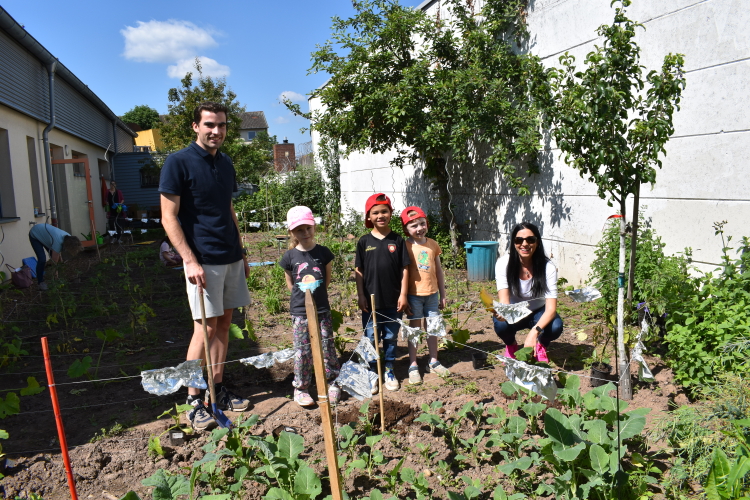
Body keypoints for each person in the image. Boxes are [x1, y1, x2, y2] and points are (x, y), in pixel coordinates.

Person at [159, 101, 251, 431]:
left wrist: (241, 253)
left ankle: (217, 388)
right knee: (204, 327)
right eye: (210, 125)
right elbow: (168, 216)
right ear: (195, 127)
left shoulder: (225, 164)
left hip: (229, 257)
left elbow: (228, 210)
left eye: (222, 125)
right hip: (202, 261)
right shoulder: (178, 163)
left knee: (224, 324)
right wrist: (189, 259)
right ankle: (193, 397)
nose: (217, 131)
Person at [279, 206, 341, 407]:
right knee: (302, 350)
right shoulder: (290, 257)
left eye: (308, 228)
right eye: (299, 230)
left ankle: (332, 382)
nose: (305, 233)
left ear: (314, 227)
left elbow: (327, 279)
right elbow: (290, 284)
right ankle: (302, 387)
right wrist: (302, 299)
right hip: (299, 311)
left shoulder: (323, 253)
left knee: (327, 346)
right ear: (292, 232)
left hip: (322, 308)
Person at [355, 193, 410, 393]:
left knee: (390, 336)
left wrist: (403, 295)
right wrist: (360, 294)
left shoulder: (398, 240)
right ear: (368, 216)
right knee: (370, 337)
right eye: (375, 212)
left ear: (390, 213)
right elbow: (359, 271)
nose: (380, 215)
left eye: (384, 211)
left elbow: (405, 268)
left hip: (393, 300)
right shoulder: (363, 242)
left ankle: (389, 370)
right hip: (369, 302)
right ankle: (372, 373)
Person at [493, 222, 563, 362]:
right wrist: (503, 313)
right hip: (514, 310)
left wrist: (534, 332)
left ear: (537, 242)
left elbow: (551, 309)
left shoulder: (547, 267)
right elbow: (504, 301)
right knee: (500, 325)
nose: (524, 244)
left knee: (556, 326)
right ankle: (511, 346)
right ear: (513, 243)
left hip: (539, 311)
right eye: (519, 240)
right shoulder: (503, 264)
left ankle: (541, 345)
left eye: (530, 240)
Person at [401, 206, 450, 384]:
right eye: (414, 226)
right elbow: (403, 273)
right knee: (415, 329)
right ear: (406, 229)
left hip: (432, 295)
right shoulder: (405, 246)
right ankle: (413, 364)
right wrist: (404, 296)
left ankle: (434, 360)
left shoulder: (433, 245)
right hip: (414, 296)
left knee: (433, 328)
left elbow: (438, 271)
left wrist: (442, 294)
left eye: (422, 223)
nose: (419, 228)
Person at [28, 223, 83, 291]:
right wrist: (56, 279)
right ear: (69, 246)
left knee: (57, 259)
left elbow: (58, 254)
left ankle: (54, 278)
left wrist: (61, 262)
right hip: (35, 234)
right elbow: (54, 263)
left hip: (45, 233)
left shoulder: (69, 238)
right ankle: (40, 283)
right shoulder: (58, 242)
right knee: (42, 259)